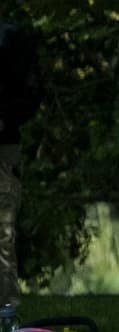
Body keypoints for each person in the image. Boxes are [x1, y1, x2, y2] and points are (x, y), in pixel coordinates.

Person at [0, 19, 42, 302]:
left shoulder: (11, 39)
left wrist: (4, 119)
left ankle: (6, 327)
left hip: (3, 150)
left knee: (1, 239)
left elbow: (31, 94)